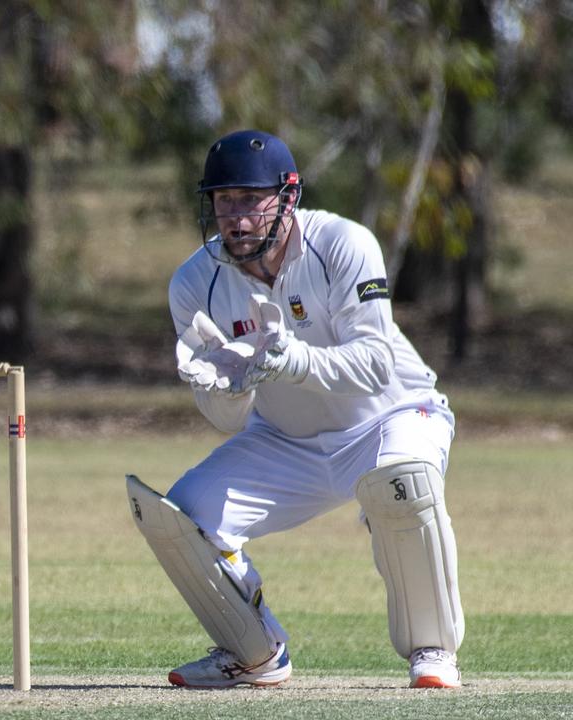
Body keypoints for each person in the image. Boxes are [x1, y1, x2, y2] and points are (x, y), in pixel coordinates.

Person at [125, 129, 464, 689]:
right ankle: (252, 652)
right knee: (183, 516)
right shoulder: (193, 283)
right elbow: (229, 422)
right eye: (222, 201)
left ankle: (432, 651)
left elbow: (376, 366)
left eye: (248, 200)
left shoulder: (344, 245)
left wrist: (290, 360)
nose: (234, 217)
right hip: (286, 440)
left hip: (392, 418)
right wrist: (225, 388)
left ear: (287, 197)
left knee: (404, 482)